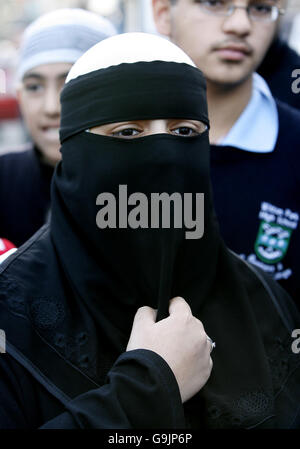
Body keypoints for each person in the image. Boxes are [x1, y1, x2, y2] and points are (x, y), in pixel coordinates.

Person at [0, 32, 299, 429]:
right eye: (127, 133)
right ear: (73, 152)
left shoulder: (266, 303)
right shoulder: (12, 316)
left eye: (184, 133)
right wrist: (150, 388)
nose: (163, 155)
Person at [152, 0, 300, 307]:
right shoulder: (115, 141)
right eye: (214, 3)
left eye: (260, 8)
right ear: (163, 14)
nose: (240, 25)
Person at [0, 8, 117, 247]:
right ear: (20, 96)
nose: (51, 107)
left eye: (71, 85)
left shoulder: (153, 189)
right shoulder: (4, 179)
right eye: (34, 87)